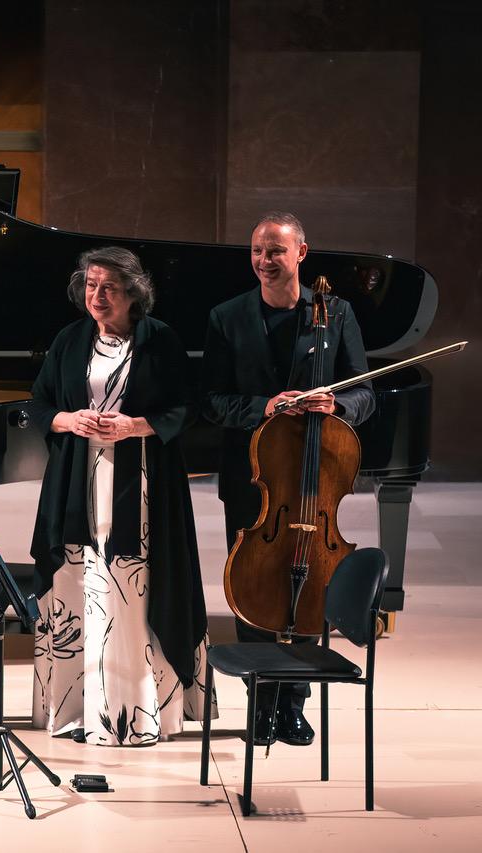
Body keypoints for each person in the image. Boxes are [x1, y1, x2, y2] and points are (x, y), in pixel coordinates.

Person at [29, 246, 212, 746]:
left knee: (126, 590)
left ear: (134, 291)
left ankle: (136, 712)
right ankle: (78, 711)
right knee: (80, 587)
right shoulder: (69, 340)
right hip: (76, 481)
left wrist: (137, 426)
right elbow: (40, 403)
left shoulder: (161, 341)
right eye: (90, 285)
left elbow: (186, 407)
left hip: (142, 482)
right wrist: (68, 420)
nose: (97, 296)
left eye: (108, 287)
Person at [203, 211, 373, 746]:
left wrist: (337, 402)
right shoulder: (226, 317)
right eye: (256, 250)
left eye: (274, 251)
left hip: (316, 478)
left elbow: (366, 394)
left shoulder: (336, 314)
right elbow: (210, 401)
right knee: (253, 582)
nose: (263, 261)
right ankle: (261, 697)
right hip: (255, 480)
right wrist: (264, 406)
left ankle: (295, 700)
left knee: (309, 584)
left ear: (301, 252)